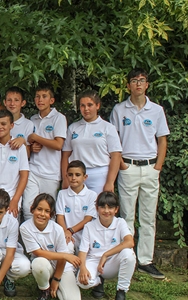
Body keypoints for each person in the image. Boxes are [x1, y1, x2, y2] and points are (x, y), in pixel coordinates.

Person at [110, 68, 169, 279]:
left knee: (148, 217)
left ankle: (145, 260)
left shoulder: (157, 110)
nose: (138, 84)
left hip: (151, 168)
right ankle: (128, 258)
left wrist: (157, 167)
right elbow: (114, 139)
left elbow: (162, 140)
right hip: (128, 167)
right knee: (126, 216)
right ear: (128, 85)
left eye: (141, 80)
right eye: (134, 81)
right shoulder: (119, 110)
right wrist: (123, 165)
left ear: (147, 85)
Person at [19, 193, 81, 300]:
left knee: (72, 298)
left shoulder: (57, 229)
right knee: (39, 264)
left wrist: (56, 279)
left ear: (52, 214)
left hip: (62, 266)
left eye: (47, 211)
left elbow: (62, 259)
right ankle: (44, 289)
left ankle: (57, 286)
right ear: (32, 209)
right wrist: (65, 256)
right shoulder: (25, 227)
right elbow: (38, 252)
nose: (42, 214)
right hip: (44, 264)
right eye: (39, 209)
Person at [77, 192, 135, 300]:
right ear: (96, 208)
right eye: (102, 207)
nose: (106, 211)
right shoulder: (89, 226)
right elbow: (83, 251)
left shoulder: (120, 222)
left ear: (116, 209)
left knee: (129, 254)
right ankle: (98, 281)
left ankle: (121, 291)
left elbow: (130, 242)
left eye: (110, 207)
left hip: (112, 261)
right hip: (94, 261)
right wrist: (83, 268)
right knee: (83, 282)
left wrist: (106, 254)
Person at [62, 90, 122, 194]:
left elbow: (116, 156)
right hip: (76, 174)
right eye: (82, 106)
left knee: (97, 207)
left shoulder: (108, 127)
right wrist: (65, 178)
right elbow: (65, 155)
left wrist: (110, 182)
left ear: (97, 106)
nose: (86, 109)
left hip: (99, 174)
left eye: (90, 105)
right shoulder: (73, 128)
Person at [23, 83, 67, 221]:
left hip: (51, 173)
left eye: (44, 96)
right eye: (37, 96)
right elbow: (28, 144)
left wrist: (37, 138)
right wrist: (32, 146)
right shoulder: (32, 120)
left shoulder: (59, 118)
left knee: (47, 211)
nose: (40, 100)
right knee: (28, 208)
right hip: (33, 170)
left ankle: (47, 242)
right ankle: (29, 241)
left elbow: (59, 144)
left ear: (51, 100)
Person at [56, 160, 97, 253]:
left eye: (77, 175)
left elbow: (88, 219)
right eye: (70, 175)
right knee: (66, 253)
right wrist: (65, 232)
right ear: (66, 176)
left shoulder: (92, 195)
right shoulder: (62, 194)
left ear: (85, 177)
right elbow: (60, 217)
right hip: (67, 236)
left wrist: (70, 230)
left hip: (86, 236)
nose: (73, 178)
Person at [0, 87, 34, 156]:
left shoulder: (28, 124)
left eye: (16, 100)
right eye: (9, 100)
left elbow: (28, 155)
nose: (12, 103)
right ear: (5, 102)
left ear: (23, 103)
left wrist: (23, 141)